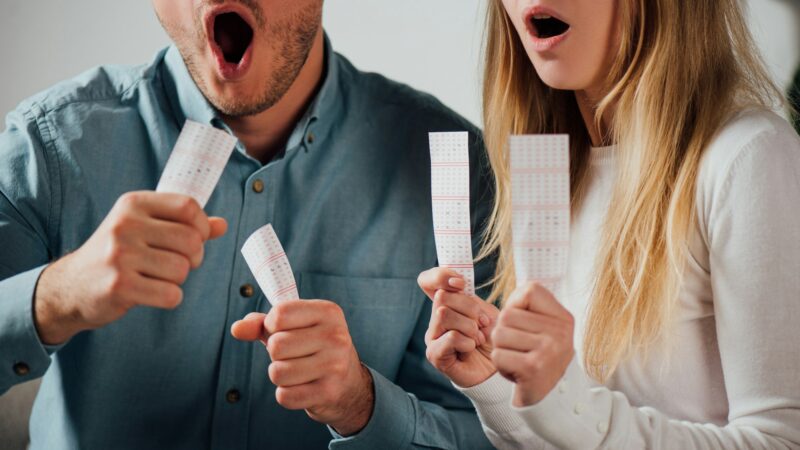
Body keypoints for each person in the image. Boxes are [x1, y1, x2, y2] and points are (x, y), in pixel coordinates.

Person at [0, 1, 496, 448]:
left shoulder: (450, 166)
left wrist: (361, 406)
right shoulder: (51, 147)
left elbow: (491, 432)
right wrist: (54, 295)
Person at [418, 0, 800, 448]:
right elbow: (566, 437)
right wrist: (496, 386)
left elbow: (781, 441)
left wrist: (568, 402)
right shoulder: (550, 169)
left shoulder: (748, 157)